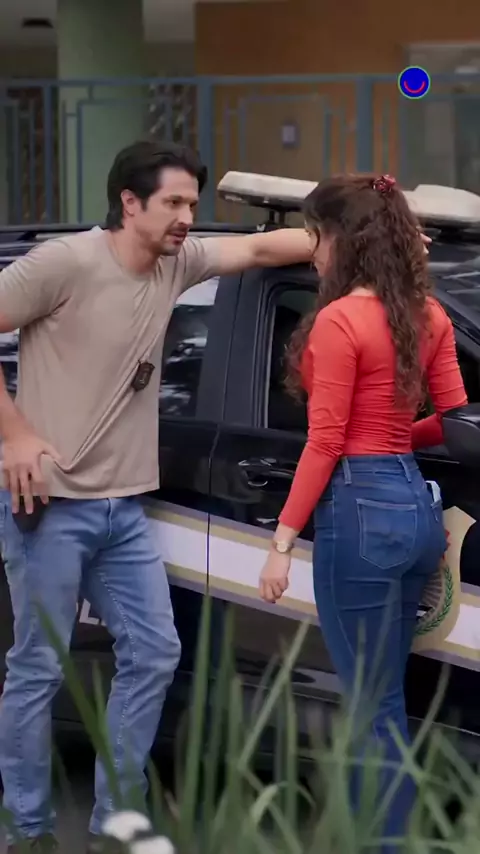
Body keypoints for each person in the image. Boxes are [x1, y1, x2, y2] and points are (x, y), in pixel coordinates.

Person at [0, 140, 328, 854]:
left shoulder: (177, 262)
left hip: (122, 511)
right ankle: (25, 828)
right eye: (174, 202)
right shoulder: (64, 263)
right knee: (38, 667)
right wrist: (16, 434)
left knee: (153, 652)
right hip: (49, 507)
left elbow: (260, 249)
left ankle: (118, 821)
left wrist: (357, 234)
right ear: (129, 202)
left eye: (192, 203)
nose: (187, 217)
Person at [258, 174, 467, 851]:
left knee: (369, 706)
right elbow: (454, 419)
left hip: (360, 511)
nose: (313, 252)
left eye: (315, 237)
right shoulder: (429, 315)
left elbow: (324, 442)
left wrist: (282, 541)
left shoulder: (340, 320)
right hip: (414, 510)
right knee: (384, 702)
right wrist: (392, 433)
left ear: (341, 239)